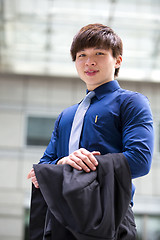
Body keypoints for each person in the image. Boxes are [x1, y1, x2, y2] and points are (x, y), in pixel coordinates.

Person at [28, 23, 154, 239]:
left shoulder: (132, 102)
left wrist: (83, 163)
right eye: (81, 55)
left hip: (110, 214)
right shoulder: (65, 116)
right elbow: (41, 170)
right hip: (60, 217)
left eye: (99, 53)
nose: (89, 62)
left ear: (118, 60)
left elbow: (140, 160)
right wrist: (63, 162)